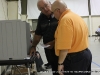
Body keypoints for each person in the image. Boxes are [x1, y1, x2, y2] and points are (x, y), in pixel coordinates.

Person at [51, 0, 92, 75]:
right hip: (85, 54)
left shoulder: (65, 21)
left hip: (74, 60)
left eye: (53, 12)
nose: (53, 15)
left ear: (58, 10)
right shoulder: (76, 17)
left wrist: (60, 64)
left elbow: (64, 47)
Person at [30, 0, 58, 75]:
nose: (45, 9)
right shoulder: (41, 18)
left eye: (46, 5)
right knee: (55, 70)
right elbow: (38, 34)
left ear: (50, 3)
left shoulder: (58, 14)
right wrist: (33, 46)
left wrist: (54, 42)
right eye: (41, 9)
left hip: (62, 50)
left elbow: (66, 34)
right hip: (49, 51)